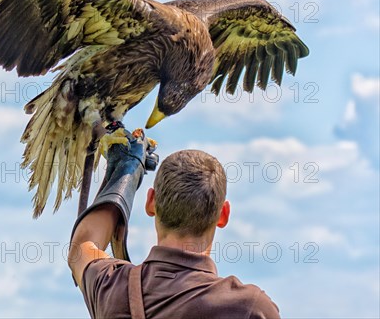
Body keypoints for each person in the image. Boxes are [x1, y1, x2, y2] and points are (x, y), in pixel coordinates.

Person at [68, 130, 280, 318]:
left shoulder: (111, 286)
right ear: (223, 215)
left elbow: (82, 246)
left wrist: (126, 171)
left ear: (151, 203)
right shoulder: (250, 308)